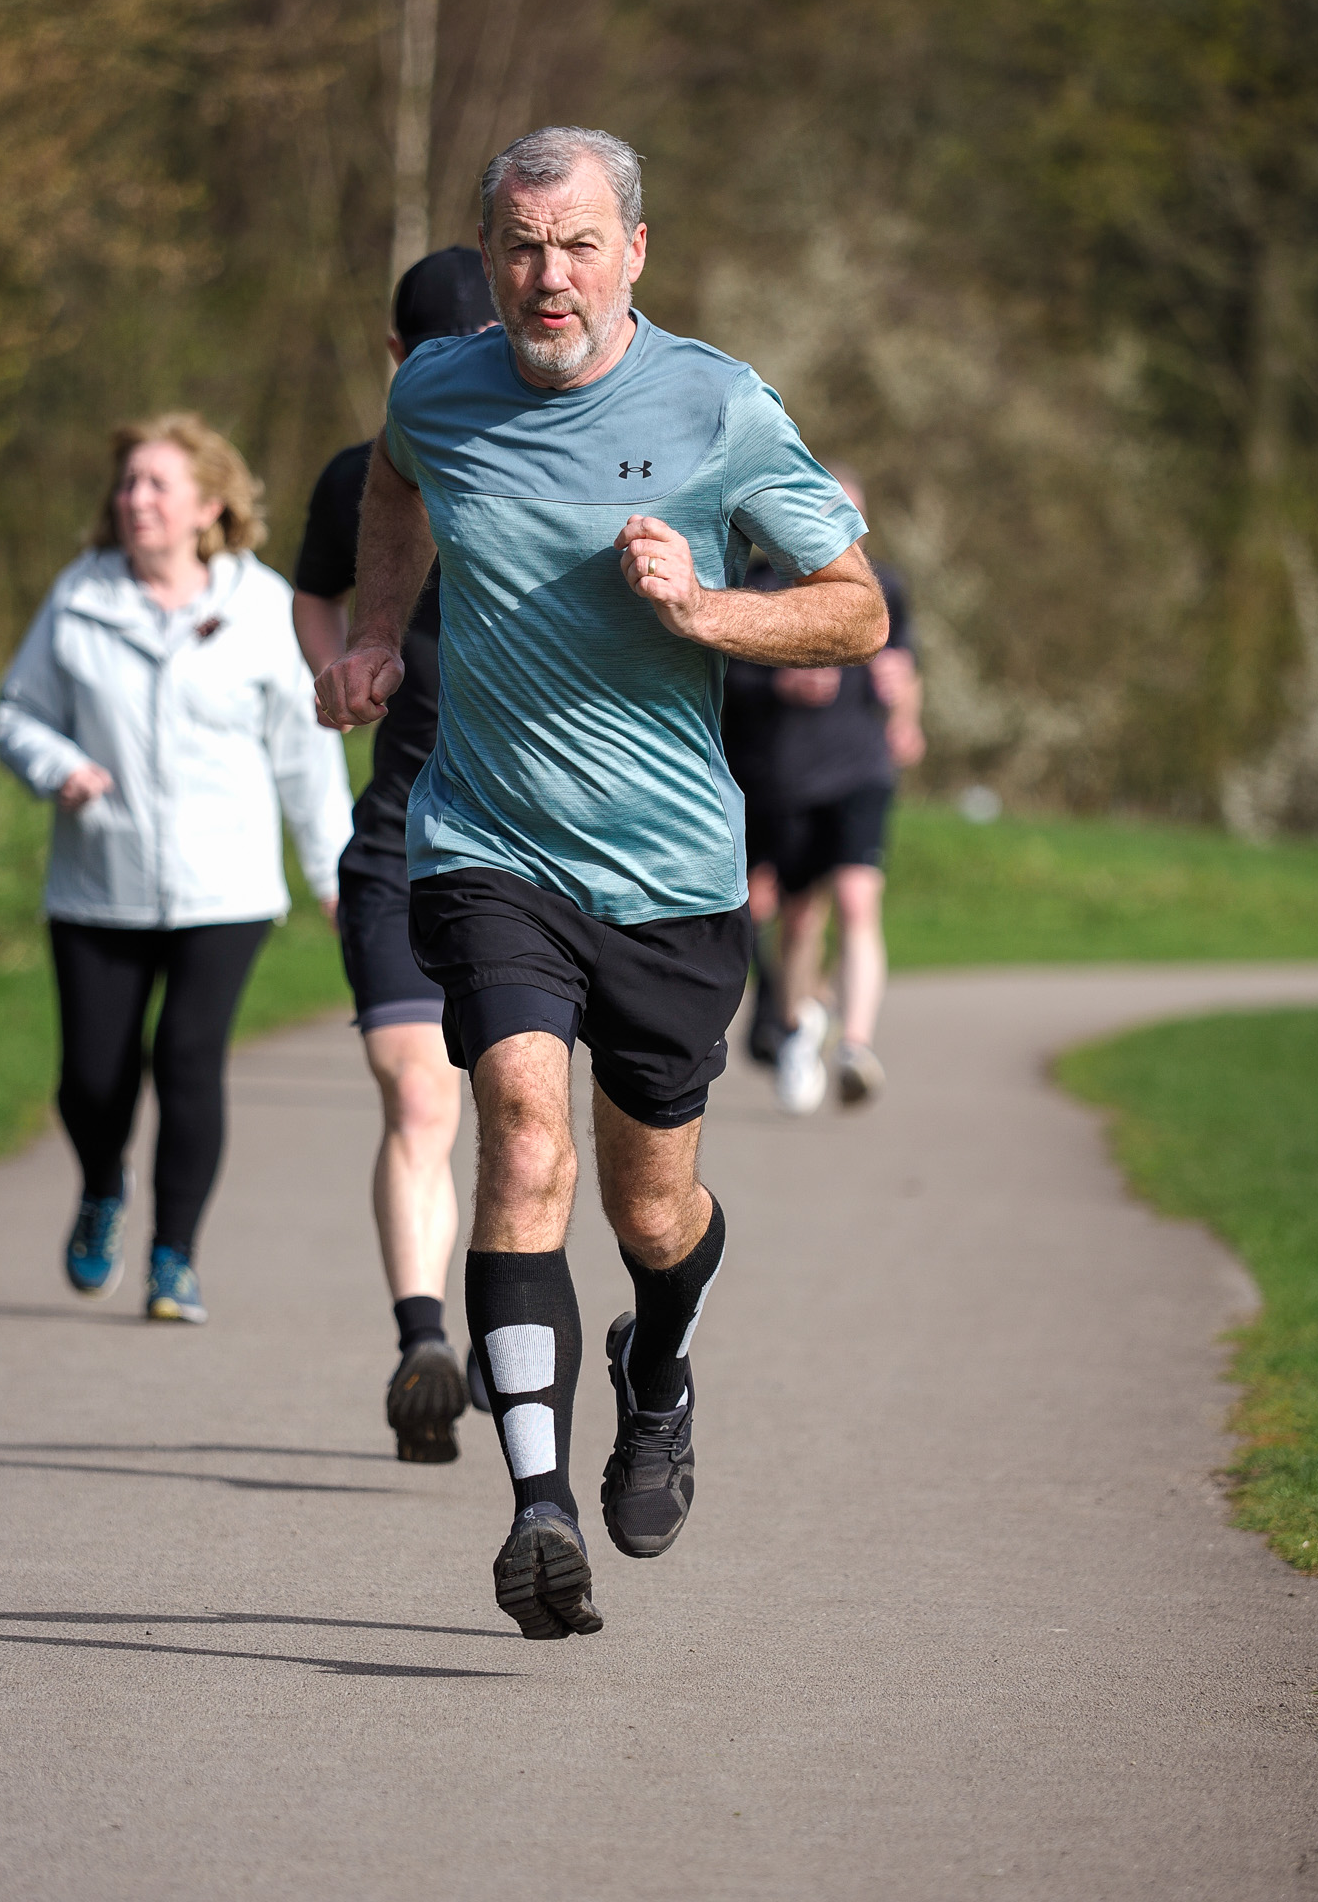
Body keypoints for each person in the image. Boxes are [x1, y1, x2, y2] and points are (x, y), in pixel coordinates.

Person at [315, 127, 888, 1639]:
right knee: (516, 1123)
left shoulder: (718, 402)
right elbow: (388, 493)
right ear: (488, 256)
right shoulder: (436, 392)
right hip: (488, 845)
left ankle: (661, 1361)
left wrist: (706, 608)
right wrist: (376, 634)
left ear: (636, 249)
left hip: (672, 871)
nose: (544, 275)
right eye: (517, 244)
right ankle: (537, 1511)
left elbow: (853, 609)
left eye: (575, 244)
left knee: (652, 1208)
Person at [0, 413, 352, 1325]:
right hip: (97, 885)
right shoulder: (80, 595)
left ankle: (174, 1258)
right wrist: (57, 766)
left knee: (187, 1061)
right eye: (127, 484)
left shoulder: (264, 606)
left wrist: (335, 872)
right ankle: (102, 1183)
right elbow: (16, 714)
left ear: (210, 505)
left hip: (222, 887)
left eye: (156, 484)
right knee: (91, 1080)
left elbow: (303, 755)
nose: (134, 500)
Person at [291, 246, 496, 1463]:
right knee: (423, 1093)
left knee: (524, 1123)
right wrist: (343, 658)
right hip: (401, 835)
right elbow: (314, 592)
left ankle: (530, 1345)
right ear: (394, 355)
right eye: (430, 360)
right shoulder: (354, 478)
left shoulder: (545, 469)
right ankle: (425, 1342)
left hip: (533, 844)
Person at [724, 471, 925, 1112]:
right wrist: (780, 683)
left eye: (855, 519)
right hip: (785, 778)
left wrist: (906, 716)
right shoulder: (759, 585)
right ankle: (796, 1026)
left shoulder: (882, 586)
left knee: (860, 899)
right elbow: (721, 675)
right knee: (799, 914)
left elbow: (904, 663)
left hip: (861, 771)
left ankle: (855, 1046)